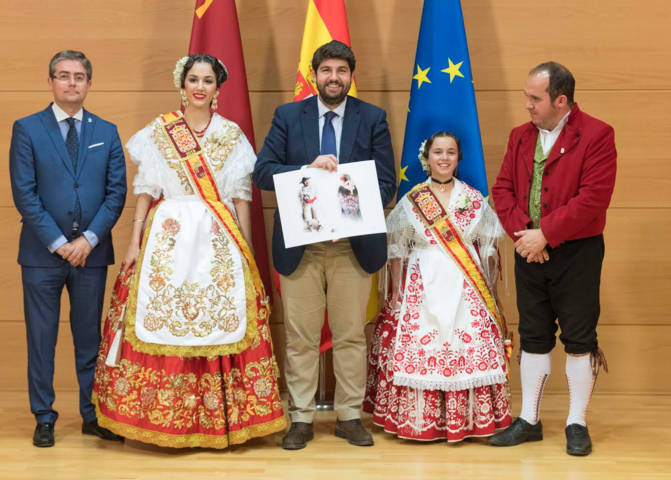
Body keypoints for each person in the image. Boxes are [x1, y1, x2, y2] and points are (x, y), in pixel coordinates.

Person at [92, 54, 286, 449]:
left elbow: (241, 198)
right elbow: (145, 192)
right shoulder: (158, 133)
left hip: (219, 240)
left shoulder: (232, 135)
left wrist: (246, 250)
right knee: (158, 313)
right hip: (168, 238)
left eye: (208, 80)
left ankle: (223, 419)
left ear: (218, 88)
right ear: (182, 84)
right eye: (193, 79)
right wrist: (133, 243)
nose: (200, 87)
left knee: (223, 321)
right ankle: (160, 419)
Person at [254, 40, 396, 450]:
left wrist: (343, 184)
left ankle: (349, 416)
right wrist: (306, 172)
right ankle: (299, 417)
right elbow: (263, 173)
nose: (334, 78)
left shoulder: (372, 118)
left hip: (352, 245)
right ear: (314, 75)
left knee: (351, 334)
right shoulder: (287, 116)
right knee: (301, 336)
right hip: (302, 247)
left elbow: (386, 184)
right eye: (327, 70)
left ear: (352, 76)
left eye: (342, 71)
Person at [490, 62, 616, 456]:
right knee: (533, 335)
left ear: (561, 100)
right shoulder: (519, 137)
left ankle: (576, 422)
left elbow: (593, 198)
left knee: (579, 339)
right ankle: (529, 420)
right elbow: (503, 190)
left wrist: (547, 233)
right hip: (528, 247)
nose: (526, 104)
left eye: (534, 98)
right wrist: (526, 235)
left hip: (577, 253)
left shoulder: (597, 134)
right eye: (526, 95)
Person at [9, 50, 127, 447]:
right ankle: (44, 416)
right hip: (42, 255)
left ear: (89, 84)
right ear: (51, 82)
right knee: (41, 338)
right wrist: (61, 244)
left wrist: (88, 240)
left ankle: (92, 414)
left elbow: (116, 193)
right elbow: (25, 194)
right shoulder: (27, 128)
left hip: (91, 254)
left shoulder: (107, 132)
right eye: (63, 75)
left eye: (79, 76)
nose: (71, 82)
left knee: (89, 338)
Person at [364, 132, 513, 442]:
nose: (444, 158)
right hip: (424, 280)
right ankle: (421, 421)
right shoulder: (412, 199)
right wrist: (393, 294)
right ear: (427, 157)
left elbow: (487, 250)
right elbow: (396, 249)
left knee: (467, 345)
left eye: (451, 152)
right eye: (438, 152)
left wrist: (492, 297)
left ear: (459, 158)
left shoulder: (472, 198)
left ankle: (470, 421)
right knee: (424, 343)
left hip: (466, 284)